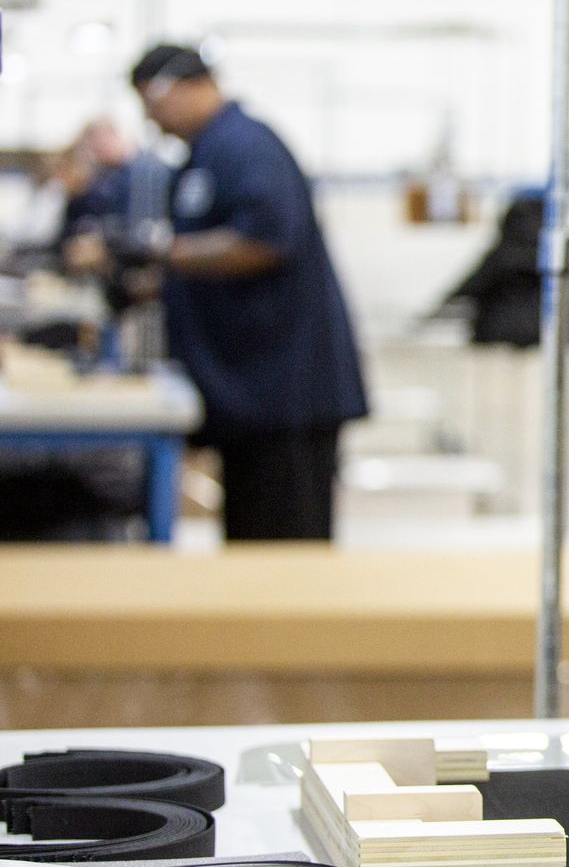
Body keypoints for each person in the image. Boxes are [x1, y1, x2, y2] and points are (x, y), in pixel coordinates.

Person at [71, 44, 369, 540]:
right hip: (252, 394)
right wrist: (149, 285)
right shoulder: (208, 152)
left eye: (153, 104)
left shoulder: (246, 146)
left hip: (285, 391)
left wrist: (156, 251)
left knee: (285, 550)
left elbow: (265, 242)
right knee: (251, 541)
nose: (154, 121)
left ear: (185, 86)